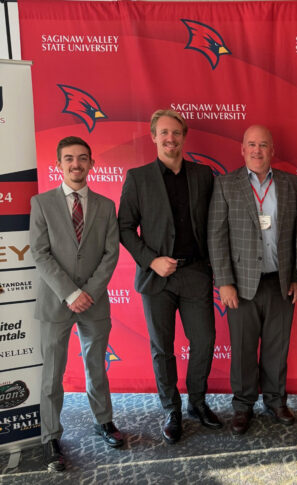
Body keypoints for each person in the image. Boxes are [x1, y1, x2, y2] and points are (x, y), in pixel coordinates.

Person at [118, 109, 220, 444]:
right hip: (156, 277)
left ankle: (197, 402)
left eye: (176, 133)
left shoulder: (204, 175)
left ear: (184, 136)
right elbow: (125, 228)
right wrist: (151, 260)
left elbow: (215, 225)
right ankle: (171, 409)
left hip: (195, 273)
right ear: (153, 136)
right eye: (164, 133)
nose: (170, 139)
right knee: (162, 348)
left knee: (204, 341)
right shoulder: (138, 177)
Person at [30, 136, 123, 472]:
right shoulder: (41, 204)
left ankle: (104, 422)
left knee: (96, 367)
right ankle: (50, 437)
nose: (76, 164)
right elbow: (40, 254)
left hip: (94, 303)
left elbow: (111, 254)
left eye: (82, 158)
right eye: (68, 158)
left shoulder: (106, 206)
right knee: (52, 373)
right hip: (56, 303)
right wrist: (71, 293)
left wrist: (90, 293)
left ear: (92, 164)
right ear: (58, 164)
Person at [207, 125, 297, 435]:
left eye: (263, 145)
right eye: (251, 144)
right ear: (242, 149)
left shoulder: (291, 183)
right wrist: (224, 282)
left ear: (272, 150)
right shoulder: (225, 184)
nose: (257, 150)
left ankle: (275, 400)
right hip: (241, 284)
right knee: (244, 348)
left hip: (280, 281)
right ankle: (243, 406)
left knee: (277, 346)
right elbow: (216, 235)